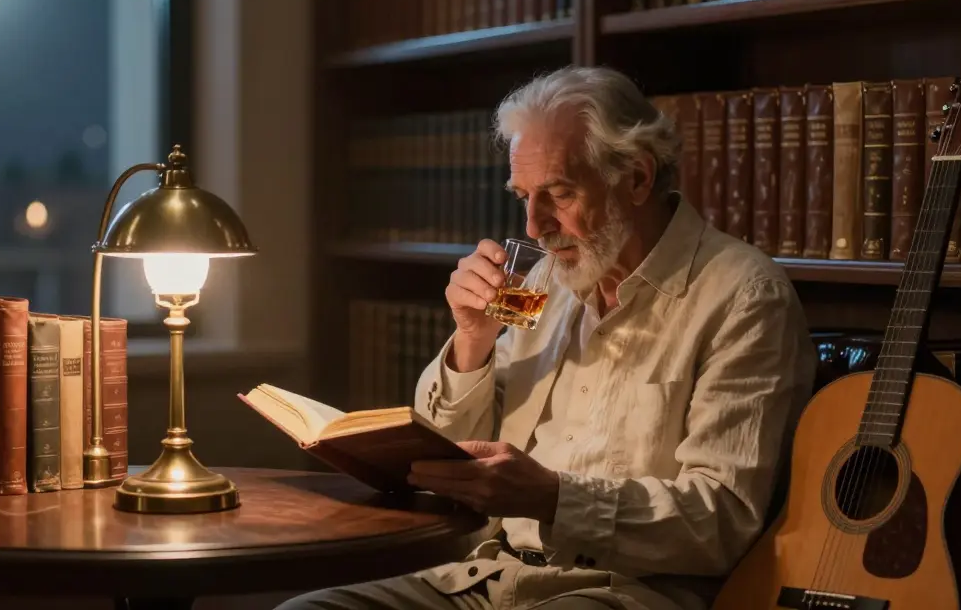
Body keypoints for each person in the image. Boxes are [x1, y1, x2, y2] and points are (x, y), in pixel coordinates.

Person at [278, 66, 816, 610]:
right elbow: (450, 466)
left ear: (636, 178)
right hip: (485, 574)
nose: (534, 227)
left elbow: (721, 520)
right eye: (524, 196)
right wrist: (472, 341)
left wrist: (555, 499)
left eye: (559, 193)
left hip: (625, 590)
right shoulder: (544, 279)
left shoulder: (745, 297)